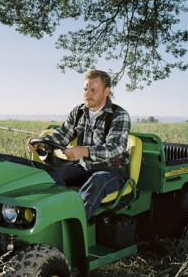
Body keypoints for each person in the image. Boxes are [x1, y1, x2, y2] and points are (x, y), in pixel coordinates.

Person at [27, 70, 131, 219]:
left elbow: (115, 148)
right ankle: (46, 216)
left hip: (110, 171)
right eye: (85, 89)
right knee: (48, 176)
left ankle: (73, 223)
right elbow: (62, 135)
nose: (87, 94)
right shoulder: (78, 112)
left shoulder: (119, 115)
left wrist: (84, 151)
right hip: (82, 168)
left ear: (106, 91)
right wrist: (42, 144)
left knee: (96, 182)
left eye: (93, 90)